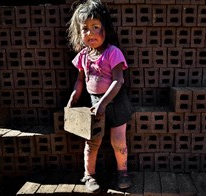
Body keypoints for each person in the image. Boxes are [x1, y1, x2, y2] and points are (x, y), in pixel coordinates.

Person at [66, 0, 133, 193]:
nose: (90, 33)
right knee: (92, 141)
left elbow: (118, 81)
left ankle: (122, 172)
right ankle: (89, 174)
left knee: (118, 141)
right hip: (95, 104)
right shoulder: (84, 56)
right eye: (85, 29)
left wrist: (104, 103)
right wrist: (74, 98)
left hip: (116, 103)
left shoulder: (113, 52)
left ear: (106, 29)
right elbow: (80, 80)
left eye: (96, 27)